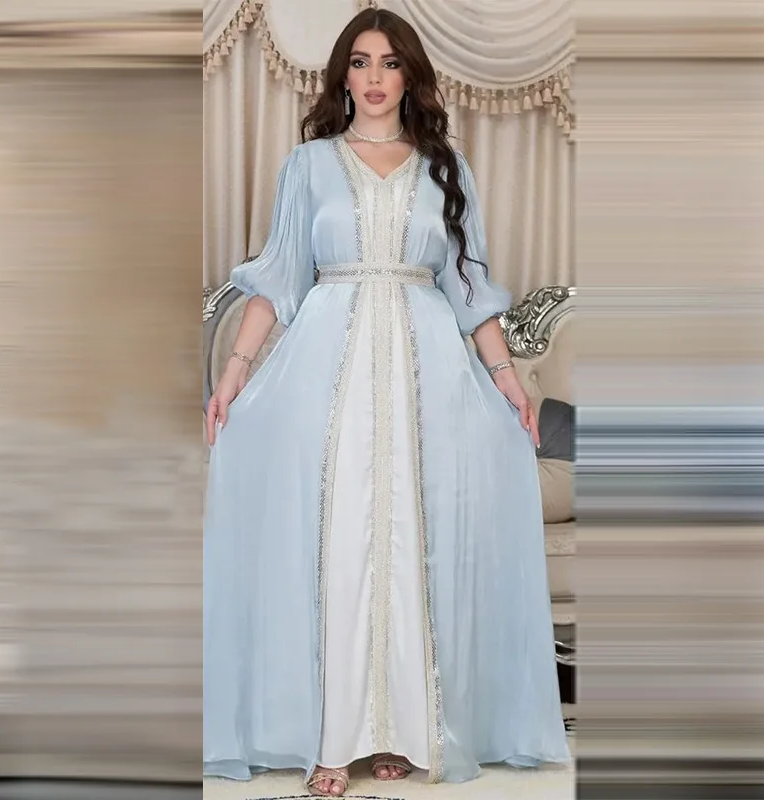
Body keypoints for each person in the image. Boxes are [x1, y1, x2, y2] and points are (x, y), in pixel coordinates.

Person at [203, 7, 570, 797]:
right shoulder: (309, 165)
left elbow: (469, 285)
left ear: (411, 76)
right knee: (338, 539)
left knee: (413, 537)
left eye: (391, 63)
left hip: (427, 368)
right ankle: (334, 738)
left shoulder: (445, 167)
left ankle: (403, 728)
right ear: (344, 75)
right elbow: (279, 276)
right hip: (328, 367)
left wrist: (507, 380)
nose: (375, 78)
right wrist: (235, 370)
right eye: (362, 62)